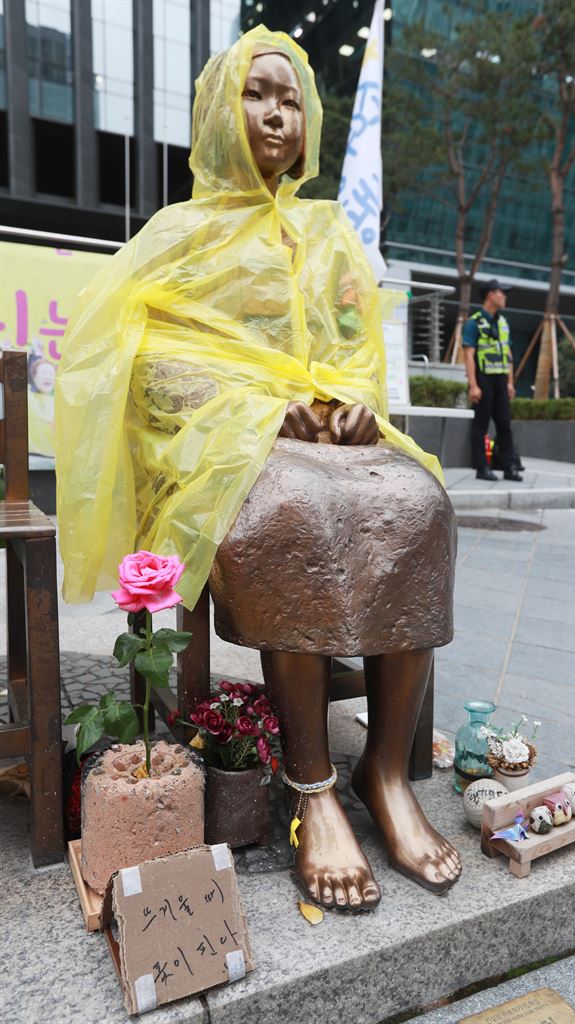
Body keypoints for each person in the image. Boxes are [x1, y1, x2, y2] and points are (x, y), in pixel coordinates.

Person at [56, 27, 462, 912]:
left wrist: (352, 406)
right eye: (257, 94)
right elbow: (144, 366)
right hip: (221, 445)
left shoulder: (326, 234)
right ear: (216, 112)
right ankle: (313, 784)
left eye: (292, 100)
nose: (278, 114)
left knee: (420, 500)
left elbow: (354, 353)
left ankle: (386, 772)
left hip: (327, 441)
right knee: (291, 510)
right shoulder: (179, 234)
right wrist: (254, 407)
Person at [462, 279, 523, 482]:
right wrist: (473, 385)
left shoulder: (503, 323)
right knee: (481, 425)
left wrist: (510, 382)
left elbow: (509, 355)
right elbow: (468, 355)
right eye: (501, 292)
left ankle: (509, 467)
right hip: (483, 379)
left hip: (501, 381)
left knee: (505, 424)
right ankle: (482, 468)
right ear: (490, 294)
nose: (504, 297)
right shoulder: (474, 322)